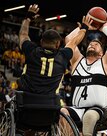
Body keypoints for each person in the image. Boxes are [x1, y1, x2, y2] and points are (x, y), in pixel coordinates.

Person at [17, 4, 90, 135]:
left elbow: (23, 34)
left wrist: (28, 18)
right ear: (58, 44)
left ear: (41, 41)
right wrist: (84, 28)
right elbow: (74, 42)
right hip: (50, 109)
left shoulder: (31, 50)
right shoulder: (63, 55)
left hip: (25, 107)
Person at [61, 17, 107, 136]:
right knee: (62, 111)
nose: (92, 44)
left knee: (89, 116)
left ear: (102, 53)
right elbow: (68, 40)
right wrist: (84, 27)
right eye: (90, 43)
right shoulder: (77, 61)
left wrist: (104, 28)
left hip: (99, 110)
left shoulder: (105, 62)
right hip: (78, 108)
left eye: (96, 44)